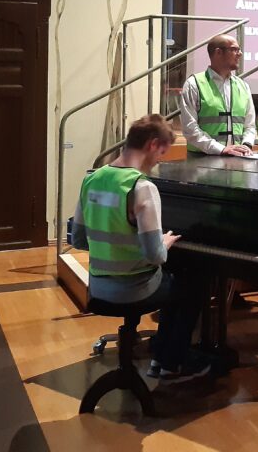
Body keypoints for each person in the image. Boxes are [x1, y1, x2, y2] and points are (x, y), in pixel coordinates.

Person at [71, 114, 207, 380]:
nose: (159, 161)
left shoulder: (92, 178)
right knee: (194, 284)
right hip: (132, 289)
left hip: (97, 286)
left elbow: (77, 240)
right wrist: (165, 242)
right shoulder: (141, 187)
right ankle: (170, 362)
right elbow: (155, 256)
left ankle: (162, 358)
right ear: (152, 145)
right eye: (162, 153)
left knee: (174, 282)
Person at [179, 34, 256, 156]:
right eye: (234, 49)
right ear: (218, 52)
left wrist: (245, 146)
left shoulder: (243, 86)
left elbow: (250, 125)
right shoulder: (194, 84)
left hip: (238, 160)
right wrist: (220, 149)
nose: (240, 54)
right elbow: (190, 128)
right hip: (201, 162)